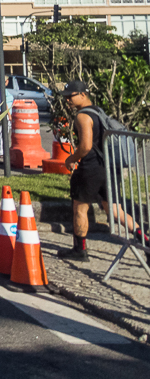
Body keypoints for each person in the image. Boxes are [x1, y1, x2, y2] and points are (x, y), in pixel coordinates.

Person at [57, 81, 145, 260]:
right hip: (109, 168)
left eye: (71, 96)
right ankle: (146, 241)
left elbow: (86, 146)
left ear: (83, 95)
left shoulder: (82, 116)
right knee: (113, 208)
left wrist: (71, 159)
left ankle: (79, 250)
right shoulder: (99, 112)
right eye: (66, 97)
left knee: (80, 209)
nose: (67, 100)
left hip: (91, 168)